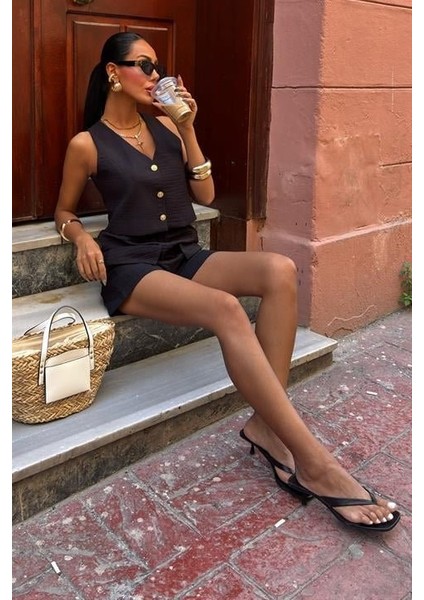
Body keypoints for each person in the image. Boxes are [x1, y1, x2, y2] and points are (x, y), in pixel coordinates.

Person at [54, 31, 400, 532]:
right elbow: (64, 211)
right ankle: (315, 463)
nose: (156, 76)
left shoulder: (167, 129)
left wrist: (187, 127)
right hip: (132, 266)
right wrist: (82, 238)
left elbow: (208, 195)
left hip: (183, 254)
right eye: (144, 65)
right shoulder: (87, 144)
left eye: (158, 67)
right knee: (225, 308)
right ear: (113, 72)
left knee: (279, 270)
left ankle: (267, 426)